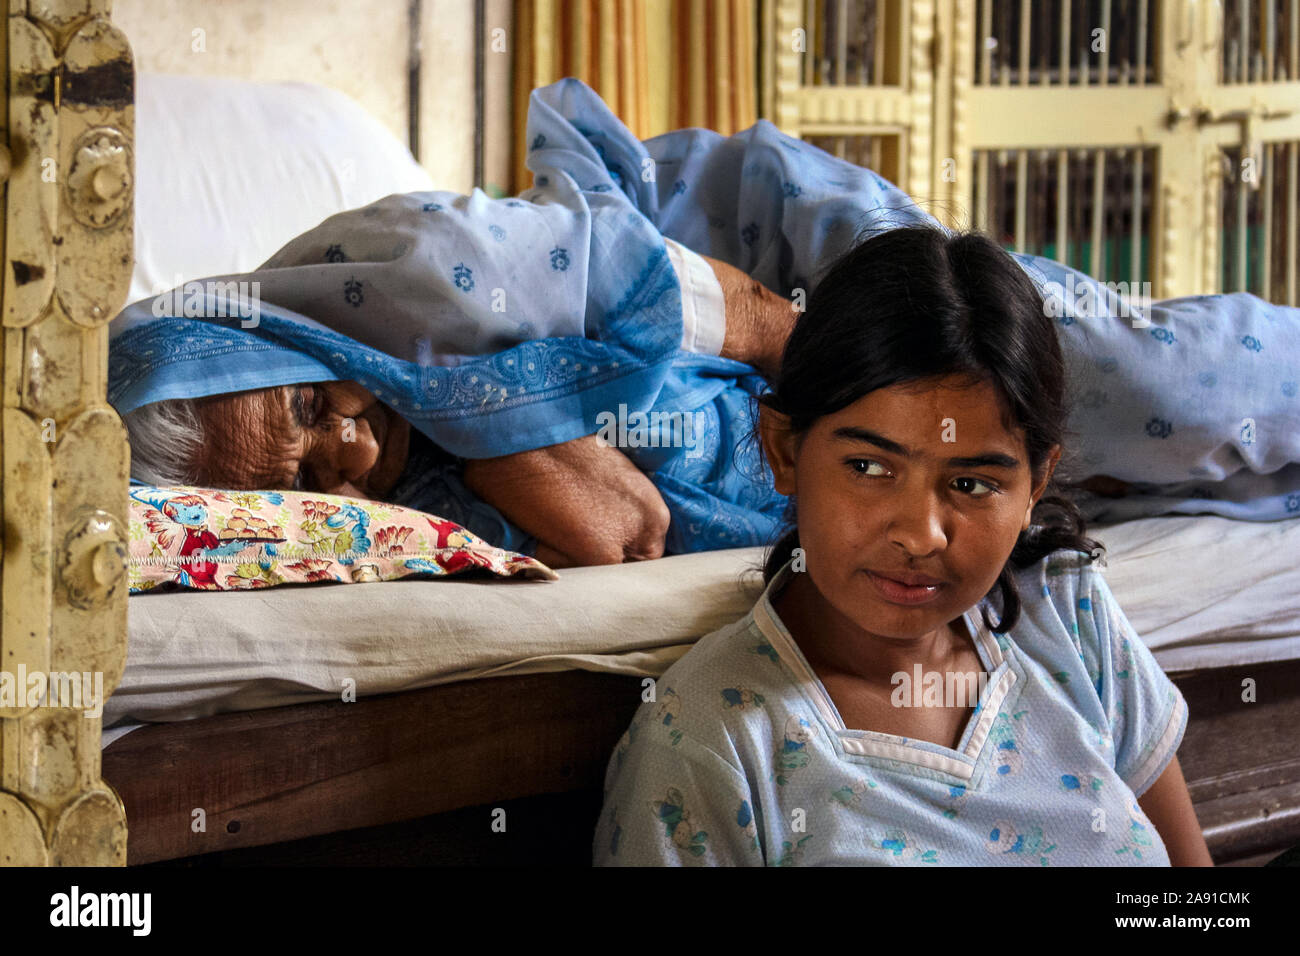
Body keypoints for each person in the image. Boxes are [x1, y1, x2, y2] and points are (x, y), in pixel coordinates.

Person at [109, 76, 1300, 570]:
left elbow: (758, 320)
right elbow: (624, 529)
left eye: (312, 408)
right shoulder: (398, 509)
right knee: (1104, 483)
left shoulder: (412, 270)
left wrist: (862, 389)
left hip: (773, 264)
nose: (353, 451)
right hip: (785, 395)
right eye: (317, 480)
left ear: (279, 335)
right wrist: (480, 419)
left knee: (1141, 388)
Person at [592, 225, 1213, 866]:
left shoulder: (1063, 613)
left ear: (1036, 482)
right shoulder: (709, 741)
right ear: (784, 450)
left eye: (972, 483)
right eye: (868, 467)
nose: (921, 534)